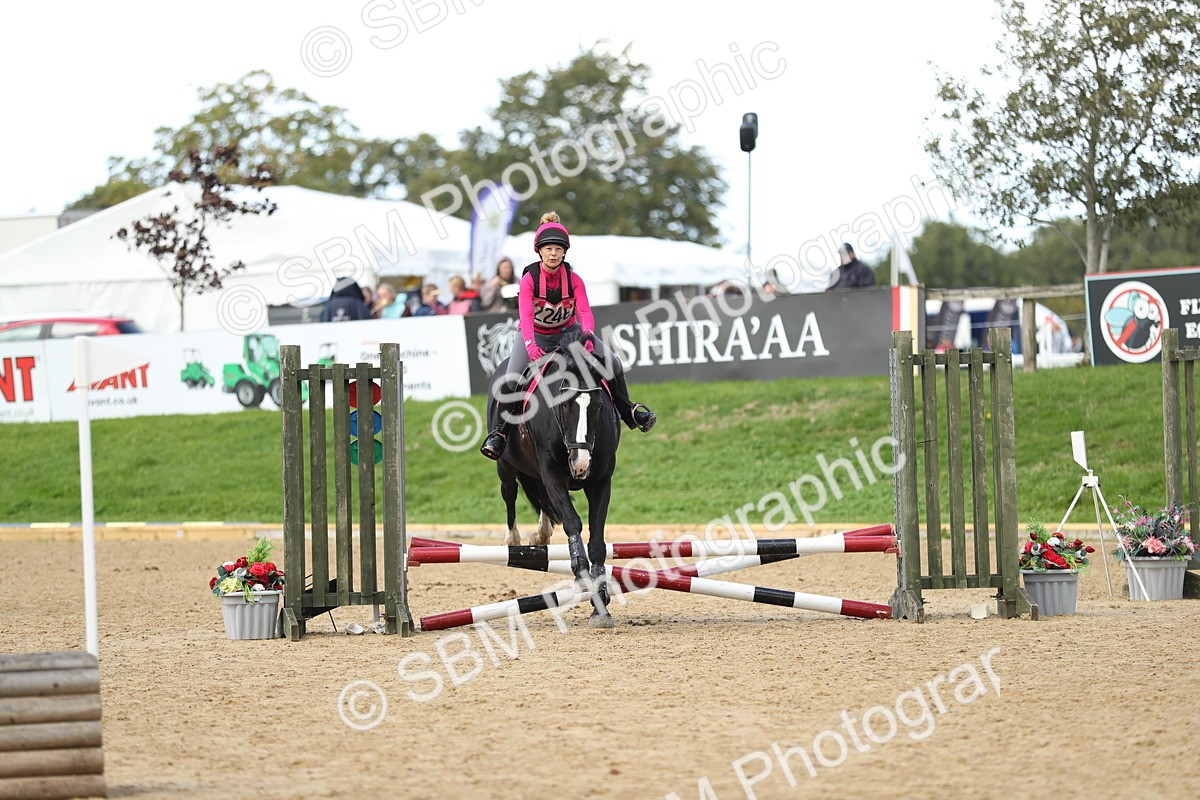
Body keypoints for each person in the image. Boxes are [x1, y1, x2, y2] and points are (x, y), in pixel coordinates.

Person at [479, 212, 656, 460]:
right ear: (539, 251)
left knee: (613, 361)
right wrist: (530, 346)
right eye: (548, 248)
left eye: (558, 249)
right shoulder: (530, 280)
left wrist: (587, 335)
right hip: (535, 336)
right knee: (510, 379)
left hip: (568, 334)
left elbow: (584, 311)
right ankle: (501, 434)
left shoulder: (574, 279)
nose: (553, 253)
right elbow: (527, 318)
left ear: (565, 252)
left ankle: (630, 412)